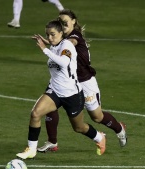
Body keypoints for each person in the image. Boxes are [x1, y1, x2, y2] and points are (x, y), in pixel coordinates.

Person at [35, 9, 127, 153]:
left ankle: (119, 128)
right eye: (60, 22)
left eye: (65, 22)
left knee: (97, 117)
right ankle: (52, 141)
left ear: (73, 21)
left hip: (84, 81)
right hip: (64, 81)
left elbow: (70, 43)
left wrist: (50, 45)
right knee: (50, 106)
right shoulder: (59, 41)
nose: (62, 24)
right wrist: (51, 42)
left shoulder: (74, 36)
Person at [16, 19, 106, 160]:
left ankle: (99, 137)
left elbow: (64, 62)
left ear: (61, 33)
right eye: (47, 35)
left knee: (79, 127)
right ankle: (31, 149)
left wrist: (44, 49)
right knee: (35, 114)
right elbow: (54, 48)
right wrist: (48, 44)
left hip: (72, 94)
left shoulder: (67, 45)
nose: (50, 38)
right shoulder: (55, 45)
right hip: (55, 91)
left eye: (52, 34)